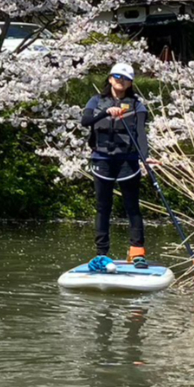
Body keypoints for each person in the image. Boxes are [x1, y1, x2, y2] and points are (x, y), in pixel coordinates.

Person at [81, 61, 149, 263]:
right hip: (102, 159)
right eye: (118, 77)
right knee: (103, 207)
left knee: (132, 206)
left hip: (127, 161)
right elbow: (85, 122)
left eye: (126, 79)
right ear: (110, 79)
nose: (121, 81)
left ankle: (137, 252)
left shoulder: (137, 106)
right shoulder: (95, 101)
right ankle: (102, 254)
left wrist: (145, 158)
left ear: (130, 83)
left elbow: (141, 136)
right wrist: (105, 112)